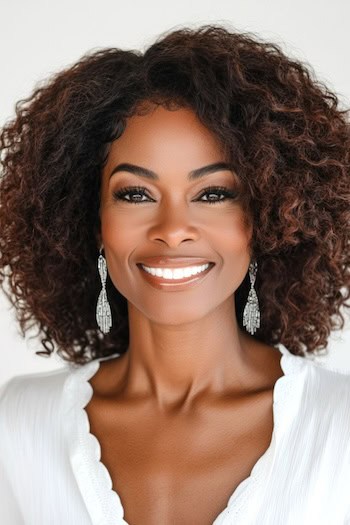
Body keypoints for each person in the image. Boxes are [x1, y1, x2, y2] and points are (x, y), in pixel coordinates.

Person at [0, 24, 349, 525]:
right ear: (93, 219)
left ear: (268, 217)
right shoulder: (19, 424)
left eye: (213, 194)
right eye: (135, 194)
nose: (172, 230)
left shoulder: (340, 428)